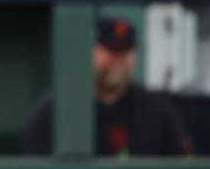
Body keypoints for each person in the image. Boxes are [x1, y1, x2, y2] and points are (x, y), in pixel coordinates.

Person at [23, 18, 191, 156]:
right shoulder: (56, 107)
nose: (117, 60)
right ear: (91, 52)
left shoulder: (156, 108)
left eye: (124, 52)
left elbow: (183, 166)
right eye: (111, 51)